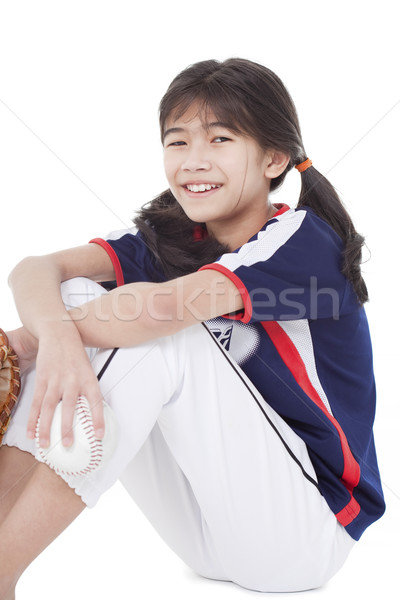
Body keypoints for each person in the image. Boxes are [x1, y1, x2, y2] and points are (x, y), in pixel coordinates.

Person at [0, 58, 385, 597]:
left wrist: (30, 342)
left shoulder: (303, 240)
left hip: (304, 529)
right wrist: (59, 338)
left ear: (274, 158)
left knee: (161, 334)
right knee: (76, 297)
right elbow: (35, 269)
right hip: (204, 525)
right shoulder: (176, 237)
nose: (192, 161)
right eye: (177, 142)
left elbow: (160, 312)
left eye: (220, 139)